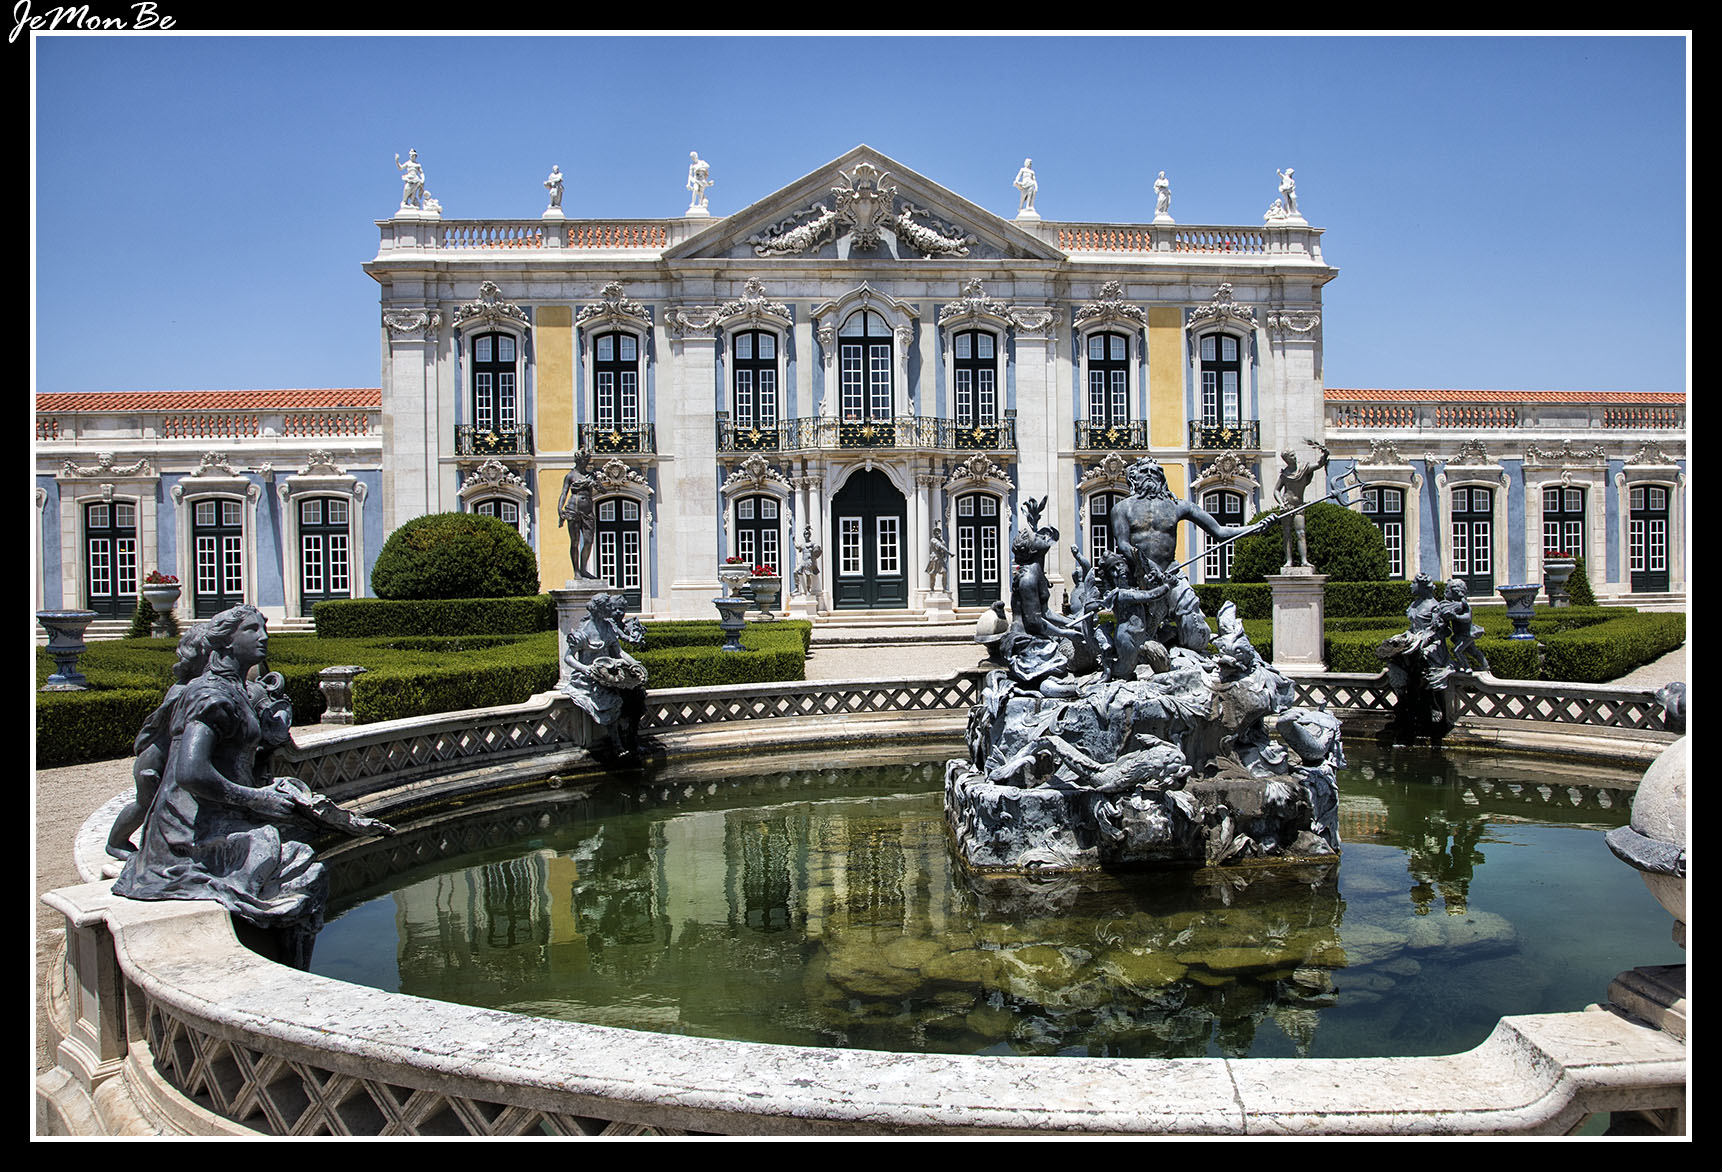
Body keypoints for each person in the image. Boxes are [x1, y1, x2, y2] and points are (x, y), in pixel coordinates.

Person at [111, 606, 392, 969]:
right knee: (301, 865)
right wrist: (257, 798)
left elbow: (254, 752)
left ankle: (292, 967)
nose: (263, 637)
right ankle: (291, 970)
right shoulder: (210, 694)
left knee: (298, 848)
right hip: (187, 832)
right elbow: (191, 772)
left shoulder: (236, 689)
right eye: (251, 630)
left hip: (215, 814)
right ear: (226, 642)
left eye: (263, 628)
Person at [1108, 457, 1264, 652]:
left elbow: (1219, 532)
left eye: (1154, 472)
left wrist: (1256, 527)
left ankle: (1175, 642)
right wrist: (1147, 565)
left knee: (1195, 635)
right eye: (1144, 472)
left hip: (1171, 574)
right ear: (1134, 477)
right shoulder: (1122, 508)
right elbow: (1122, 544)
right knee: (1134, 642)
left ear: (1161, 478)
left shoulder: (1178, 506)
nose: (1149, 475)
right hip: (1138, 578)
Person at [562, 593, 648, 759]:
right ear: (600, 609)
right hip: (588, 678)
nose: (613, 609)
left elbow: (619, 652)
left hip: (611, 674)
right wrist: (585, 669)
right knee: (613, 701)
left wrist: (635, 664)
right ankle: (617, 744)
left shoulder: (608, 627)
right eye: (609, 607)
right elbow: (568, 657)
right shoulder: (583, 632)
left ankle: (632, 740)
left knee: (637, 696)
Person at [1275, 440, 1331, 568]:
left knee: (1301, 533)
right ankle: (1288, 561)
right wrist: (1281, 503)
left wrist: (1325, 454)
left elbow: (1319, 464)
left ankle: (1304, 560)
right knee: (1287, 533)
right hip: (1287, 506)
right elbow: (1276, 490)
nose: (1294, 458)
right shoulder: (1285, 475)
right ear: (1286, 460)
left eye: (1294, 455)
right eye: (1291, 456)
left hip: (1299, 506)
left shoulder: (1303, 468)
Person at [557, 451, 599, 580]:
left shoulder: (591, 475)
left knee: (588, 541)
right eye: (583, 461)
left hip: (587, 511)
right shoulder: (570, 476)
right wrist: (560, 509)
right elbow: (564, 493)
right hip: (573, 509)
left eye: (586, 461)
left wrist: (595, 484)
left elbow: (602, 489)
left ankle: (583, 569)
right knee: (575, 542)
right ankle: (576, 571)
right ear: (578, 461)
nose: (585, 463)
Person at [793, 525, 822, 597]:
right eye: (805, 534)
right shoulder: (803, 545)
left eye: (808, 534)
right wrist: (794, 540)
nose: (807, 535)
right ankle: (797, 587)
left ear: (810, 535)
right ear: (804, 535)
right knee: (795, 571)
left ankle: (808, 590)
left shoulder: (812, 544)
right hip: (803, 561)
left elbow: (818, 550)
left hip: (809, 561)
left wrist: (816, 552)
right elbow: (797, 546)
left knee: (808, 575)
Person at [925, 522, 953, 592]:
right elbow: (941, 547)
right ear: (934, 533)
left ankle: (944, 588)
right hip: (935, 559)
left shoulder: (942, 541)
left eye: (939, 531)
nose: (938, 533)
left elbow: (943, 549)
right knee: (933, 574)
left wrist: (945, 556)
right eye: (936, 532)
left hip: (941, 559)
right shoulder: (933, 540)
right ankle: (932, 588)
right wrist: (950, 553)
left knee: (945, 573)